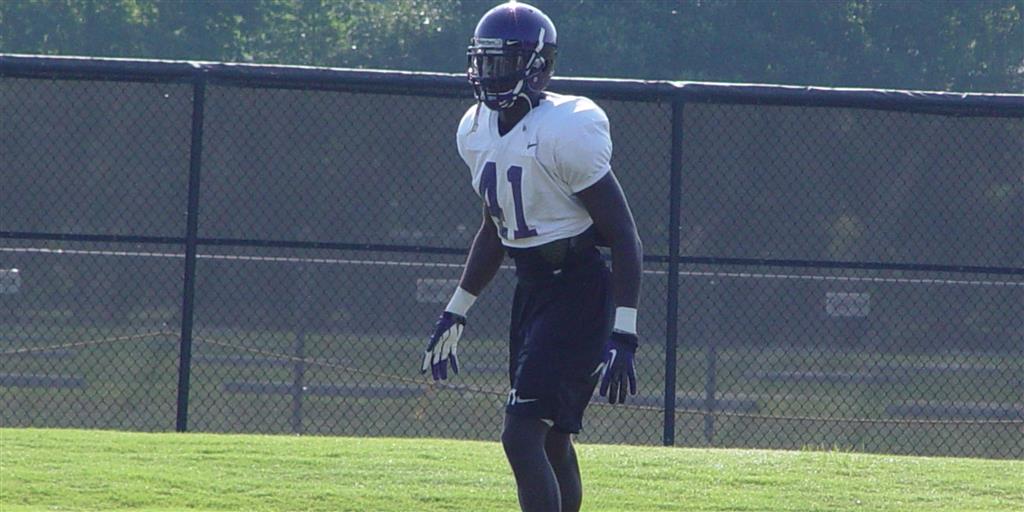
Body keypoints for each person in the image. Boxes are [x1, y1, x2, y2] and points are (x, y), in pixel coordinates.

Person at [421, 2, 643, 511]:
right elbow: (494, 230)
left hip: (578, 288)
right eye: (485, 62)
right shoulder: (474, 129)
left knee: (521, 435)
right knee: (550, 438)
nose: (488, 74)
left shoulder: (567, 128)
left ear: (538, 66)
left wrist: (624, 331)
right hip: (533, 289)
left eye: (503, 62)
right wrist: (458, 307)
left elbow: (624, 235)